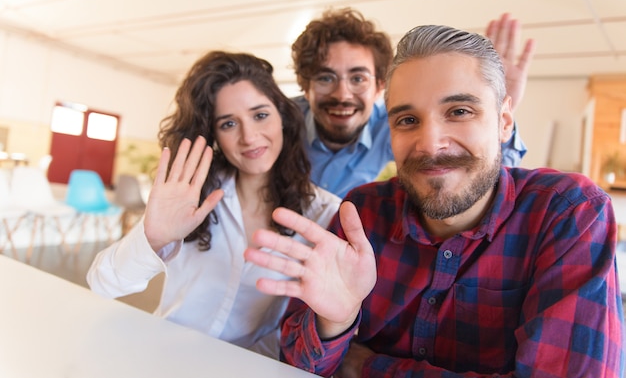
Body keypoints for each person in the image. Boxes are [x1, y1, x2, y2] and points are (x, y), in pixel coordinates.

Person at [244, 25, 624, 376]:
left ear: (504, 121)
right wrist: (336, 324)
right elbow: (294, 362)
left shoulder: (567, 214)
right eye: (407, 120)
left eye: (459, 111)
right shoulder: (363, 214)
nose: (430, 144)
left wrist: (363, 366)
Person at [86, 51, 340, 359]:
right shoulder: (189, 194)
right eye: (229, 123)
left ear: (283, 118)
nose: (249, 136)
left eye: (260, 115)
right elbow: (102, 285)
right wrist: (153, 238)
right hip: (163, 359)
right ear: (213, 134)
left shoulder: (323, 213)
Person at [292, 8, 535, 197]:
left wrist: (493, 104)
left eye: (358, 78)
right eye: (325, 77)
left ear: (379, 86)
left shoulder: (401, 126)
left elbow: (479, 179)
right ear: (305, 84)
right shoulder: (279, 122)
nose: (342, 94)